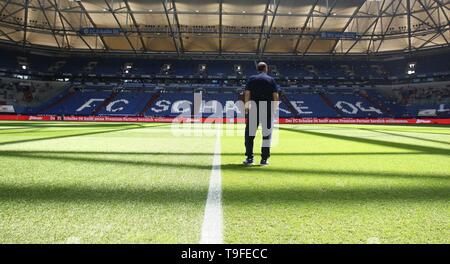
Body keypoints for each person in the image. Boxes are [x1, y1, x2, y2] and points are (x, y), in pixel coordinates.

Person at [243, 62, 279, 166]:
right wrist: (274, 109)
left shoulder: (252, 79)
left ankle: (249, 158)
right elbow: (275, 96)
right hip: (267, 108)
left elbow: (247, 93)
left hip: (254, 107)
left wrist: (246, 107)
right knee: (266, 135)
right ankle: (264, 159)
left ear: (258, 69)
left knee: (249, 135)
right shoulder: (271, 80)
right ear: (266, 68)